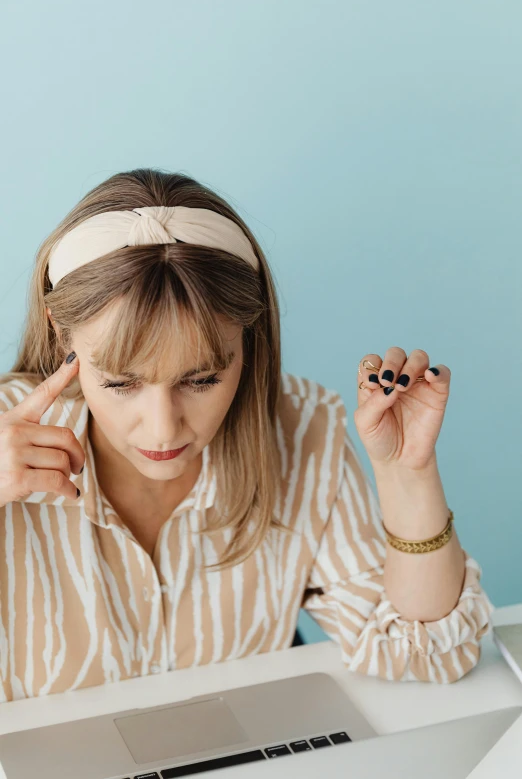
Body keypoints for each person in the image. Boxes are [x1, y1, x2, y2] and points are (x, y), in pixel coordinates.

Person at [0, 169, 492, 701]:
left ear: (249, 336)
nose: (164, 427)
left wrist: (408, 471)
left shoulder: (305, 430)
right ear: (58, 329)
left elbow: (428, 656)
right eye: (120, 382)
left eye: (202, 379)